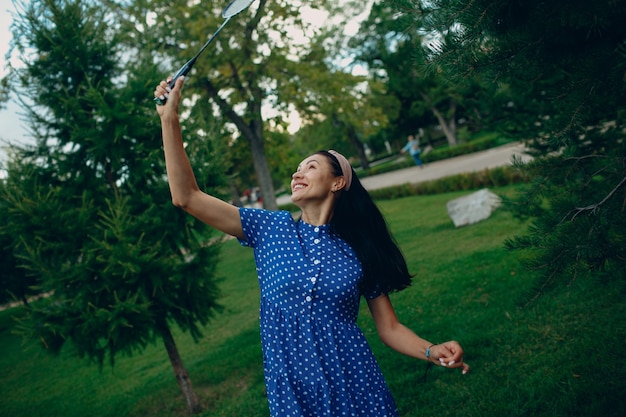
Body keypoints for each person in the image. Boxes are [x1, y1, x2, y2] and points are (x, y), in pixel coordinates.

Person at [154, 77, 469, 417]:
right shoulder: (270, 229)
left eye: (311, 166)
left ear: (338, 182)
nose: (297, 173)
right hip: (293, 391)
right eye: (297, 168)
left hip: (355, 384)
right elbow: (186, 197)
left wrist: (431, 350)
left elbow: (389, 328)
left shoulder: (358, 250)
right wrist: (169, 120)